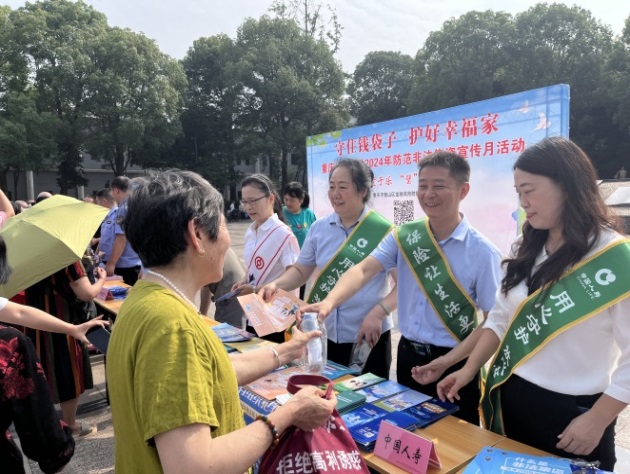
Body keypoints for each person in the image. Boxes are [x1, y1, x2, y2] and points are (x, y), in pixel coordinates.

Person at [107, 170, 336, 473]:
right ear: (197, 234)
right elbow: (195, 466)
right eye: (224, 225)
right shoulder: (173, 328)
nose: (228, 240)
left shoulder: (144, 301)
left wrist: (287, 352)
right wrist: (290, 412)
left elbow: (210, 375)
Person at [437, 137, 630, 470]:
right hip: (513, 396)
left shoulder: (614, 260)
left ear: (568, 186)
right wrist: (468, 370)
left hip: (574, 416)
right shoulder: (528, 245)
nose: (524, 202)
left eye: (530, 190)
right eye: (518, 192)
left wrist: (598, 419)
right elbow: (499, 320)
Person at [301, 151, 502, 425]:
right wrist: (329, 303)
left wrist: (449, 363)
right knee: (408, 438)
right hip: (409, 357)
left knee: (455, 447)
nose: (428, 193)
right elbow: (363, 270)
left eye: (438, 186)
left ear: (463, 190)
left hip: (454, 361)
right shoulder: (405, 237)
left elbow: (494, 323)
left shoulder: (483, 252)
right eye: (422, 185)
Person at [261, 159, 396, 378]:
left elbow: (404, 286)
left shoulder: (383, 231)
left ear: (363, 190)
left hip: (368, 336)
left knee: (368, 403)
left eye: (343, 187)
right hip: (325, 334)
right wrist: (276, 284)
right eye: (332, 186)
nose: (335, 194)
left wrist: (378, 313)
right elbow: (300, 271)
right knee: (326, 396)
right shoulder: (319, 228)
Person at [0, 234, 107, 472]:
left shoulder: (32, 253)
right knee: (67, 372)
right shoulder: (9, 344)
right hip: (58, 323)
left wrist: (72, 328)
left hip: (46, 328)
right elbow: (38, 424)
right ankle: (71, 422)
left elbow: (19, 313)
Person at [25, 259, 108, 437]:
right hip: (63, 323)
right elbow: (86, 293)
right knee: (68, 373)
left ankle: (43, 424)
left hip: (35, 321)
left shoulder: (26, 256)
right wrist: (101, 279)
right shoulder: (67, 258)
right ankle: (70, 425)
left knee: (39, 370)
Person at [232, 174, 300, 342]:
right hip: (254, 312)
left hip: (276, 317)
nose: (248, 207)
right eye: (245, 202)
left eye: (253, 200)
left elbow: (294, 277)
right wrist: (243, 280)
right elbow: (253, 266)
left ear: (270, 198)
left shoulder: (283, 234)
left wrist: (256, 289)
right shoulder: (251, 231)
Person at [282, 181, 317, 300]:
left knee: (299, 291)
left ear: (301, 200)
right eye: (286, 199)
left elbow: (315, 235)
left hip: (303, 260)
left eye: (292, 200)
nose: (288, 203)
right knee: (284, 290)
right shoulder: (281, 213)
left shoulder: (308, 214)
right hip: (285, 261)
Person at [105, 176, 142, 285]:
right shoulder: (137, 205)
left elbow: (121, 237)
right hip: (136, 262)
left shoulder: (123, 209)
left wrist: (111, 263)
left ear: (116, 190)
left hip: (126, 265)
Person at [199, 247, 247, 327]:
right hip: (243, 293)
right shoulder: (217, 243)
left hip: (230, 297)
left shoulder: (203, 251)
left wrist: (202, 315)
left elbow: (204, 284)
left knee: (226, 334)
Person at [95, 188, 117, 262]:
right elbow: (103, 241)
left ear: (104, 201)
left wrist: (111, 264)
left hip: (115, 264)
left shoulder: (118, 215)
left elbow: (121, 240)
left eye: (98, 203)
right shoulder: (107, 217)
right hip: (105, 260)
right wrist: (95, 258)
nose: (97, 206)